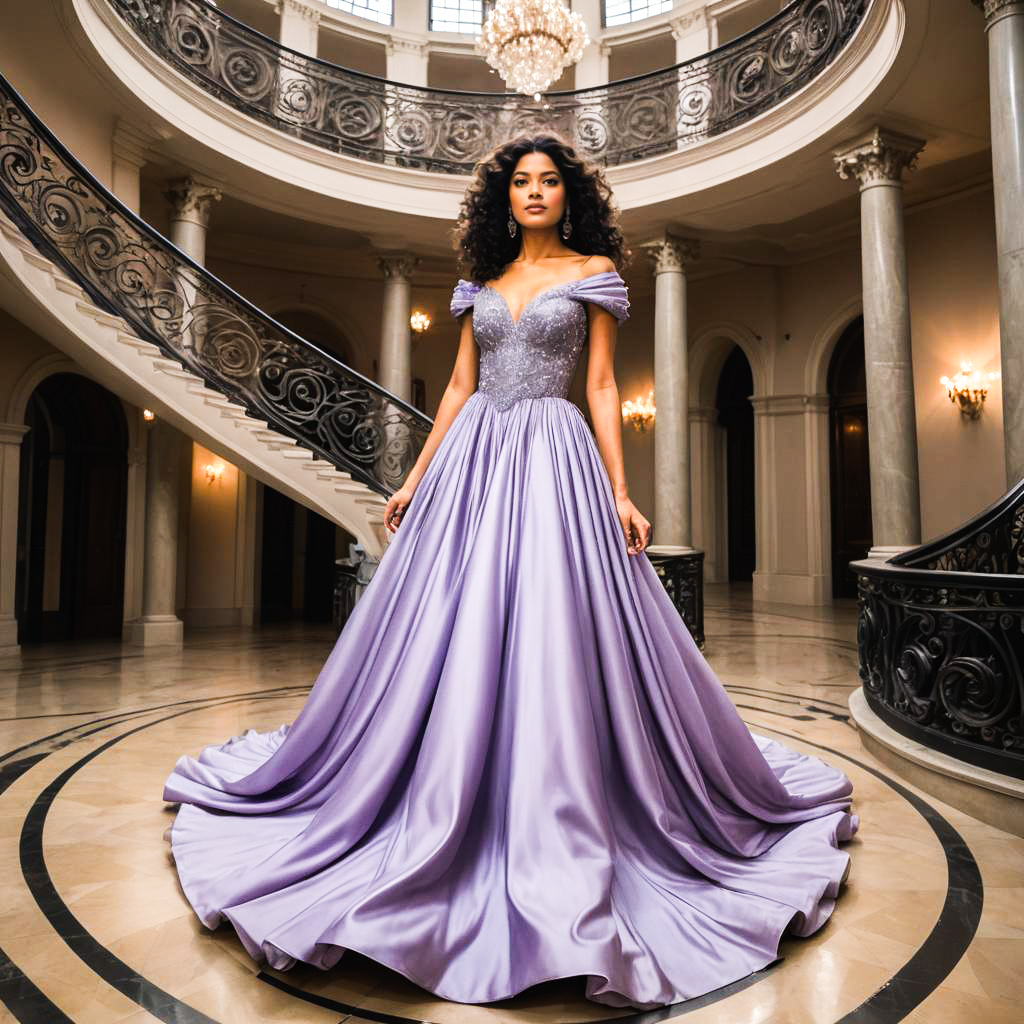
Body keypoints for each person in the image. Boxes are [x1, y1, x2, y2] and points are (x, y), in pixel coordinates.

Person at [163, 132, 858, 1010]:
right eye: (521, 182)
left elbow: (601, 386)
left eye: (549, 181)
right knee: (451, 625)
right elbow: (458, 387)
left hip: (557, 458)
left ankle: (564, 805)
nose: (534, 192)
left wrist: (620, 489)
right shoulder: (479, 288)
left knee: (554, 628)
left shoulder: (596, 270)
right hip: (475, 460)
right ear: (505, 198)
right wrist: (414, 476)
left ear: (570, 195)